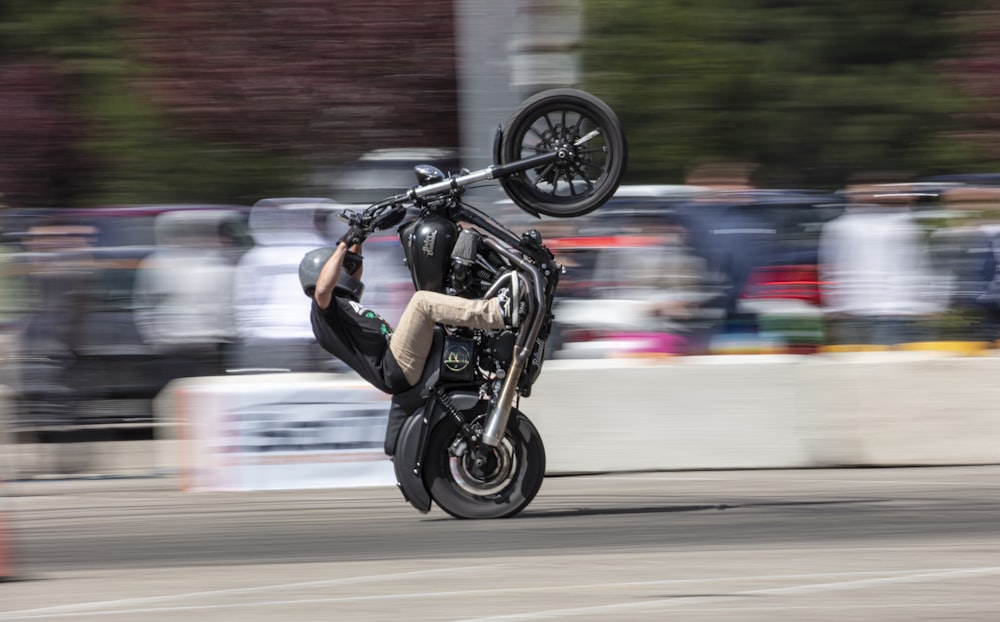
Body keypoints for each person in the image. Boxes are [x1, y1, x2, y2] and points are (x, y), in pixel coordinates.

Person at [299, 225, 521, 394]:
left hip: (397, 362)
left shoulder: (342, 303)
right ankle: (497, 311)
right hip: (393, 366)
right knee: (422, 303)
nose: (348, 271)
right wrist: (342, 245)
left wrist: (361, 232)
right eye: (340, 267)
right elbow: (322, 288)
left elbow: (354, 266)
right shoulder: (323, 313)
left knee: (444, 305)